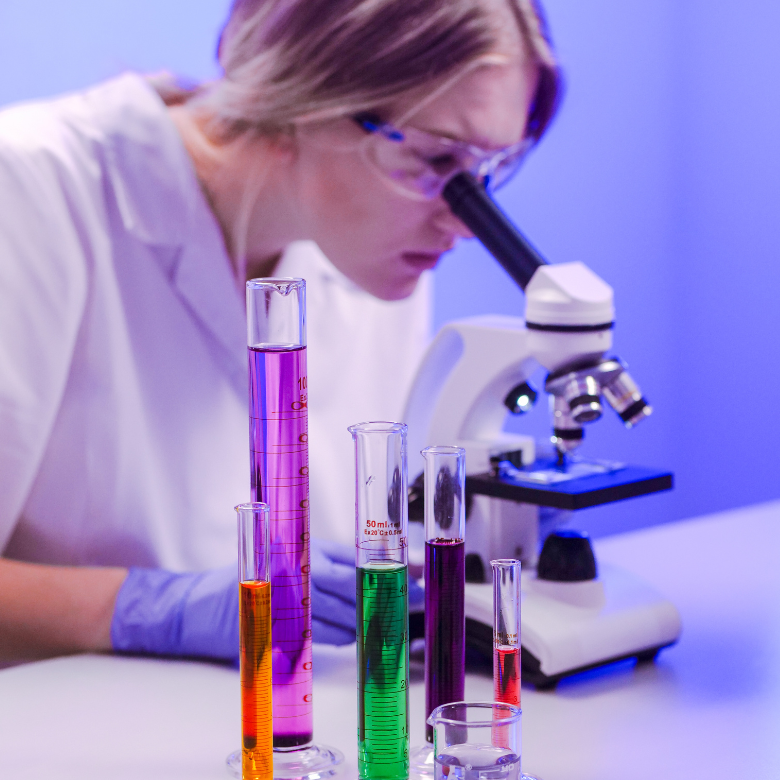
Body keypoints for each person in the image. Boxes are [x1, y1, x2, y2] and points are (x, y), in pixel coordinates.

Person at [0, 0, 560, 663]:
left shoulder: (374, 245)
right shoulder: (31, 188)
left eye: (488, 171)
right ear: (300, 98)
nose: (464, 224)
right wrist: (149, 611)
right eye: (437, 162)